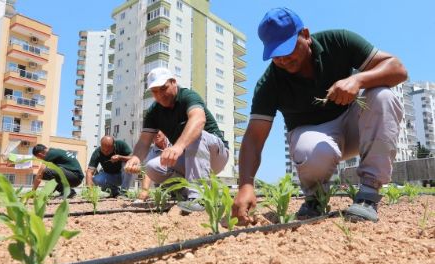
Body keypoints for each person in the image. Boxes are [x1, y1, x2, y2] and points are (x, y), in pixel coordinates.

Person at [232, 7, 407, 224]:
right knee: (310, 149)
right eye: (276, 55)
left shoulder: (339, 41)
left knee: (383, 96)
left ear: (305, 34)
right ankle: (316, 199)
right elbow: (254, 138)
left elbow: (398, 69)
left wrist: (358, 80)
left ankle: (368, 195)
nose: (283, 60)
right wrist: (246, 185)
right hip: (316, 139)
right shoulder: (270, 83)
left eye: (288, 49)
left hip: (357, 128)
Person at [125, 67, 230, 212]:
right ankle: (185, 193)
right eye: (155, 91)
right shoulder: (154, 112)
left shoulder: (188, 96)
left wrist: (178, 146)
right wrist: (135, 158)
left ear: (174, 82)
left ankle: (199, 197)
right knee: (152, 167)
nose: (160, 95)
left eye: (163, 88)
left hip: (216, 154)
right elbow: (144, 141)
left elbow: (198, 120)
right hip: (189, 158)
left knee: (195, 134)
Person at [136, 130, 170, 201]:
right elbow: (147, 172)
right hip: (166, 182)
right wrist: (145, 190)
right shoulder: (152, 153)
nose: (155, 135)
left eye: (157, 131)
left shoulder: (174, 142)